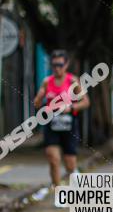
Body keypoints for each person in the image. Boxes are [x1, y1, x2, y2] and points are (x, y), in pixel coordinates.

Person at [32, 50, 90, 191]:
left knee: (70, 164)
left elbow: (86, 102)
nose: (57, 68)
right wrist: (39, 98)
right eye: (54, 65)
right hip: (51, 124)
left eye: (60, 64)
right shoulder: (47, 82)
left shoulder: (72, 81)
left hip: (69, 125)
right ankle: (59, 192)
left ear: (66, 64)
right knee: (53, 159)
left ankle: (76, 180)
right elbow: (37, 103)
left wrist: (70, 107)